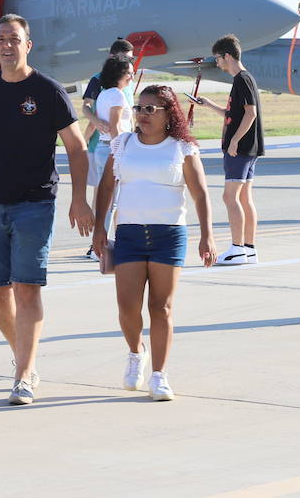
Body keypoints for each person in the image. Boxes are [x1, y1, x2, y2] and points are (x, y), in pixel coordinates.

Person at [0, 14, 93, 406]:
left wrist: (79, 198)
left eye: (14, 38)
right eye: (1, 39)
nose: (7, 45)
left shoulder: (47, 91)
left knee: (26, 289)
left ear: (27, 45)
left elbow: (77, 146)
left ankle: (22, 377)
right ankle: (25, 355)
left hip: (35, 204)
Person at [91, 85, 215, 400]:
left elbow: (200, 193)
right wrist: (98, 228)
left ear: (168, 113)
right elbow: (106, 188)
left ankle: (159, 375)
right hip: (130, 234)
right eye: (140, 108)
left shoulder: (182, 148)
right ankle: (136, 353)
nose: (143, 115)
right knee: (128, 307)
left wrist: (206, 235)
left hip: (168, 235)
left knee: (161, 308)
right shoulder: (122, 144)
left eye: (151, 109)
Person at [193, 34, 264, 266]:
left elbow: (251, 113)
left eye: (218, 58)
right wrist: (208, 104)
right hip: (249, 149)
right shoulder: (245, 79)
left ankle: (237, 249)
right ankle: (249, 249)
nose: (217, 63)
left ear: (227, 56)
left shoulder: (242, 79)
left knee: (229, 196)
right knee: (244, 197)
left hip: (240, 149)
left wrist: (234, 141)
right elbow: (233, 114)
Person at [81, 55, 135, 260]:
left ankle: (100, 245)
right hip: (113, 149)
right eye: (129, 72)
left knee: (107, 200)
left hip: (103, 148)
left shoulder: (104, 94)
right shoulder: (118, 96)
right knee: (112, 201)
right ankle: (101, 247)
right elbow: (115, 127)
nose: (132, 76)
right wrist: (121, 152)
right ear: (120, 74)